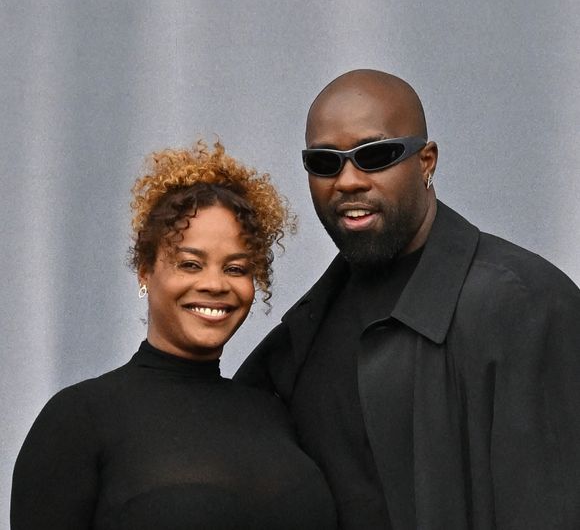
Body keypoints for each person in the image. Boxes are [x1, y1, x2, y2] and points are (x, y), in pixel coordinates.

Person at [235, 70, 580, 529]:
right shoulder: (304, 337)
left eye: (376, 156)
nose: (348, 181)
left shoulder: (525, 305)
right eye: (324, 163)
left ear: (426, 161)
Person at [11, 142, 337, 530]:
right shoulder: (79, 420)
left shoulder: (275, 414)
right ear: (145, 271)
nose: (215, 284)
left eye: (235, 268)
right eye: (190, 264)